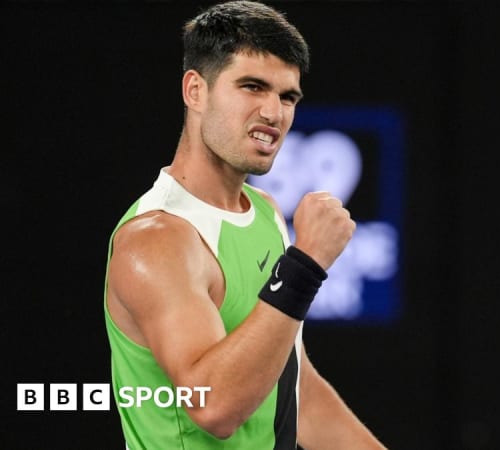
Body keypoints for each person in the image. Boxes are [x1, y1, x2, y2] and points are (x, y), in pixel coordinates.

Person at [102, 1, 387, 448]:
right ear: (195, 91)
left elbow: (298, 391)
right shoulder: (156, 240)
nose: (274, 113)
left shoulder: (265, 211)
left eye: (287, 96)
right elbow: (214, 407)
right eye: (252, 87)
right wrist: (305, 264)